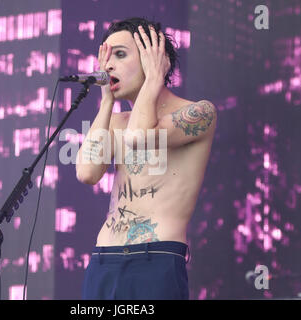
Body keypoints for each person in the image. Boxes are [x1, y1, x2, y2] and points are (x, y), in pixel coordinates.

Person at [76, 17, 217, 300]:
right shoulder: (115, 120)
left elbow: (139, 138)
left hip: (155, 259)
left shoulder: (199, 112)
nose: (108, 66)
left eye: (120, 54)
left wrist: (153, 80)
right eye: (105, 57)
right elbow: (87, 173)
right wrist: (106, 103)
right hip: (104, 259)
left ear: (154, 58)